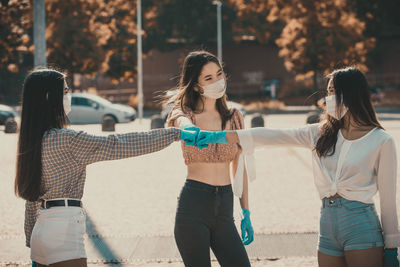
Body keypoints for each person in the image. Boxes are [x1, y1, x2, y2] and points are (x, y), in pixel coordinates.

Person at [197, 66, 400, 267]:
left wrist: (392, 247)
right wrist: (218, 136)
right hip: (327, 226)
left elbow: (388, 201)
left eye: (332, 92)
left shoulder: (381, 141)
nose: (327, 99)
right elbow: (271, 135)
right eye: (327, 91)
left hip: (361, 224)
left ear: (352, 94)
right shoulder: (320, 133)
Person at [15, 68, 198, 267]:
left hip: (40, 232)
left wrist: (31, 238)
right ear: (49, 98)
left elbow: (31, 199)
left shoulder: (31, 141)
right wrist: (174, 134)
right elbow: (118, 144)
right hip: (64, 228)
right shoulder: (65, 140)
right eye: (66, 92)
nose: (69, 97)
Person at [166, 50, 255, 267]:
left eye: (219, 74)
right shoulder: (186, 113)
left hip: (225, 207)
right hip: (193, 206)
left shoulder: (234, 117)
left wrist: (246, 211)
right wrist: (191, 130)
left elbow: (239, 167)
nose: (217, 81)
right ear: (196, 86)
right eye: (208, 78)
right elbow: (178, 120)